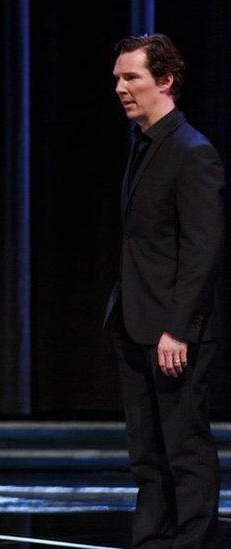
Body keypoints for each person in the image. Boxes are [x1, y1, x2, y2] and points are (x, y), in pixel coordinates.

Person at [106, 34, 224, 548]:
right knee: (146, 452)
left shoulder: (193, 151)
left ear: (166, 80)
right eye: (117, 78)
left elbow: (202, 251)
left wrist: (178, 328)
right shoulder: (144, 145)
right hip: (134, 322)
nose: (120, 88)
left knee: (184, 449)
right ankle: (150, 540)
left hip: (174, 330)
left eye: (131, 77)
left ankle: (192, 542)